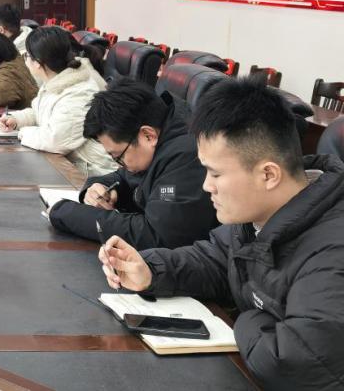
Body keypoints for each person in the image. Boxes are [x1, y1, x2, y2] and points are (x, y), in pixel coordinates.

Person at [98, 79, 344, 390]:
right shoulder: (261, 213)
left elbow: (294, 363)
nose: (206, 186)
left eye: (216, 173)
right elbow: (215, 257)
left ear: (268, 174)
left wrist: (247, 318)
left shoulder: (332, 252)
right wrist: (150, 270)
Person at [48, 79, 218, 248]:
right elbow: (124, 176)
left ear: (148, 136)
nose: (119, 164)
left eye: (118, 156)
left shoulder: (187, 157)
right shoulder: (160, 137)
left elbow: (156, 235)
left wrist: (67, 213)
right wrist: (101, 187)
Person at [0, 26, 116, 176]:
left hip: (91, 172)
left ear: (38, 62)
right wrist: (17, 120)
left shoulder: (79, 92)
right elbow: (40, 113)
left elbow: (55, 140)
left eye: (27, 55)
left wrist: (22, 132)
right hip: (66, 163)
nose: (25, 59)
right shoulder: (56, 79)